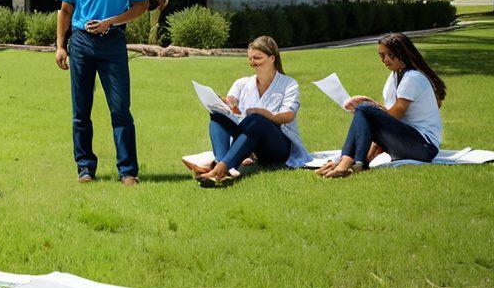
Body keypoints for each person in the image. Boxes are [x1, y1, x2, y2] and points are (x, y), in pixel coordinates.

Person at [54, 0, 148, 186]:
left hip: (112, 43)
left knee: (120, 108)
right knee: (80, 110)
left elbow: (141, 5)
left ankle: (128, 171)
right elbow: (65, 8)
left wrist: (111, 22)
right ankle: (84, 168)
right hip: (81, 44)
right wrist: (61, 46)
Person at [186, 36, 313, 186]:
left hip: (277, 148)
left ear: (272, 58)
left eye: (257, 58)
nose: (253, 63)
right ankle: (222, 163)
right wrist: (227, 103)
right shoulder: (242, 83)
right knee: (217, 116)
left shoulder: (288, 84)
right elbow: (232, 99)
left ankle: (220, 168)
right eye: (250, 58)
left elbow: (289, 115)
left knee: (256, 120)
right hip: (252, 144)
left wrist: (266, 114)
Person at [316, 32, 446, 178]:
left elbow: (393, 116)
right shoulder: (395, 75)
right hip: (410, 141)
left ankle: (345, 163)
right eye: (381, 56)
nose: (383, 60)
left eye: (387, 55)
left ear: (400, 53)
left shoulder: (412, 78)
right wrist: (369, 105)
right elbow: (386, 118)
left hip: (424, 147)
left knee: (364, 109)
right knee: (364, 110)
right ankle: (350, 163)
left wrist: (369, 107)